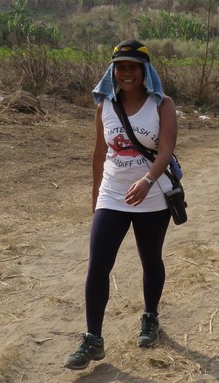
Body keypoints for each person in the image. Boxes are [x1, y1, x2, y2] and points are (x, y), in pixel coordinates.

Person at [65, 39, 178, 371]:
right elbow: (100, 154)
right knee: (98, 265)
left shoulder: (162, 105)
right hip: (112, 194)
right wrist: (96, 197)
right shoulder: (105, 106)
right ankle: (93, 339)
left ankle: (150, 317)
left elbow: (166, 150)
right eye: (120, 67)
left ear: (145, 72)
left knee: (150, 258)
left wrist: (147, 181)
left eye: (132, 67)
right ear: (112, 71)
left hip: (153, 194)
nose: (126, 73)